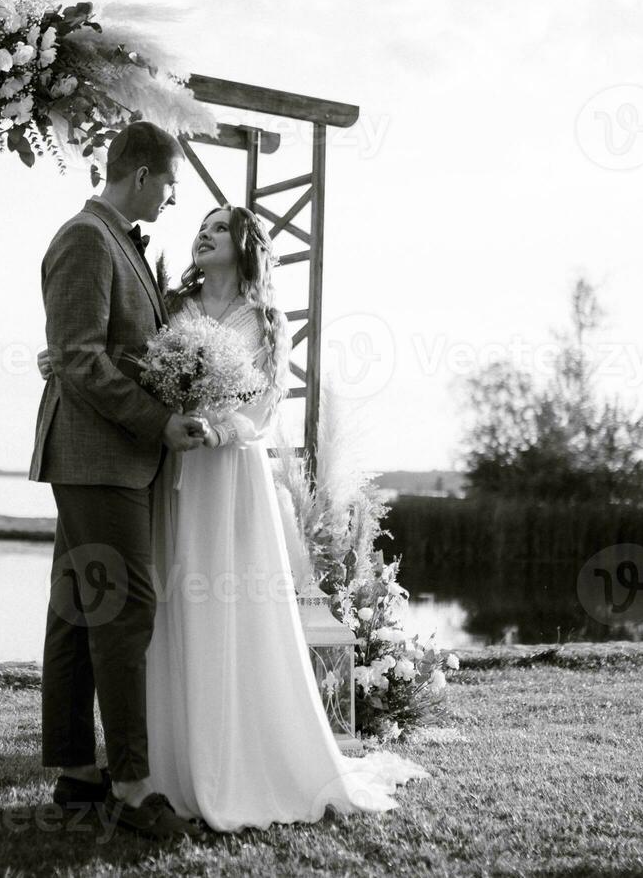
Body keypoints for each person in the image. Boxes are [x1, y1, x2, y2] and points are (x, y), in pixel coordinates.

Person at [38, 204, 429, 833]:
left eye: (219, 228)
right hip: (170, 474)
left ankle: (235, 754)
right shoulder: (172, 306)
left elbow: (266, 408)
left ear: (245, 245)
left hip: (229, 478)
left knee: (226, 605)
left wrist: (221, 431)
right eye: (202, 224)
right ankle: (162, 763)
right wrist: (57, 360)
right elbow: (123, 363)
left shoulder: (267, 319)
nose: (203, 232)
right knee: (165, 610)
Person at [28, 120, 209, 840]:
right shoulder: (86, 239)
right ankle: (133, 790)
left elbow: (108, 350)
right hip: (97, 456)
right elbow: (77, 358)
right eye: (170, 183)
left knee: (77, 609)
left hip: (99, 456)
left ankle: (77, 776)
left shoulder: (120, 243)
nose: (172, 199)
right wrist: (157, 422)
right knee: (124, 611)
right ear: (141, 175)